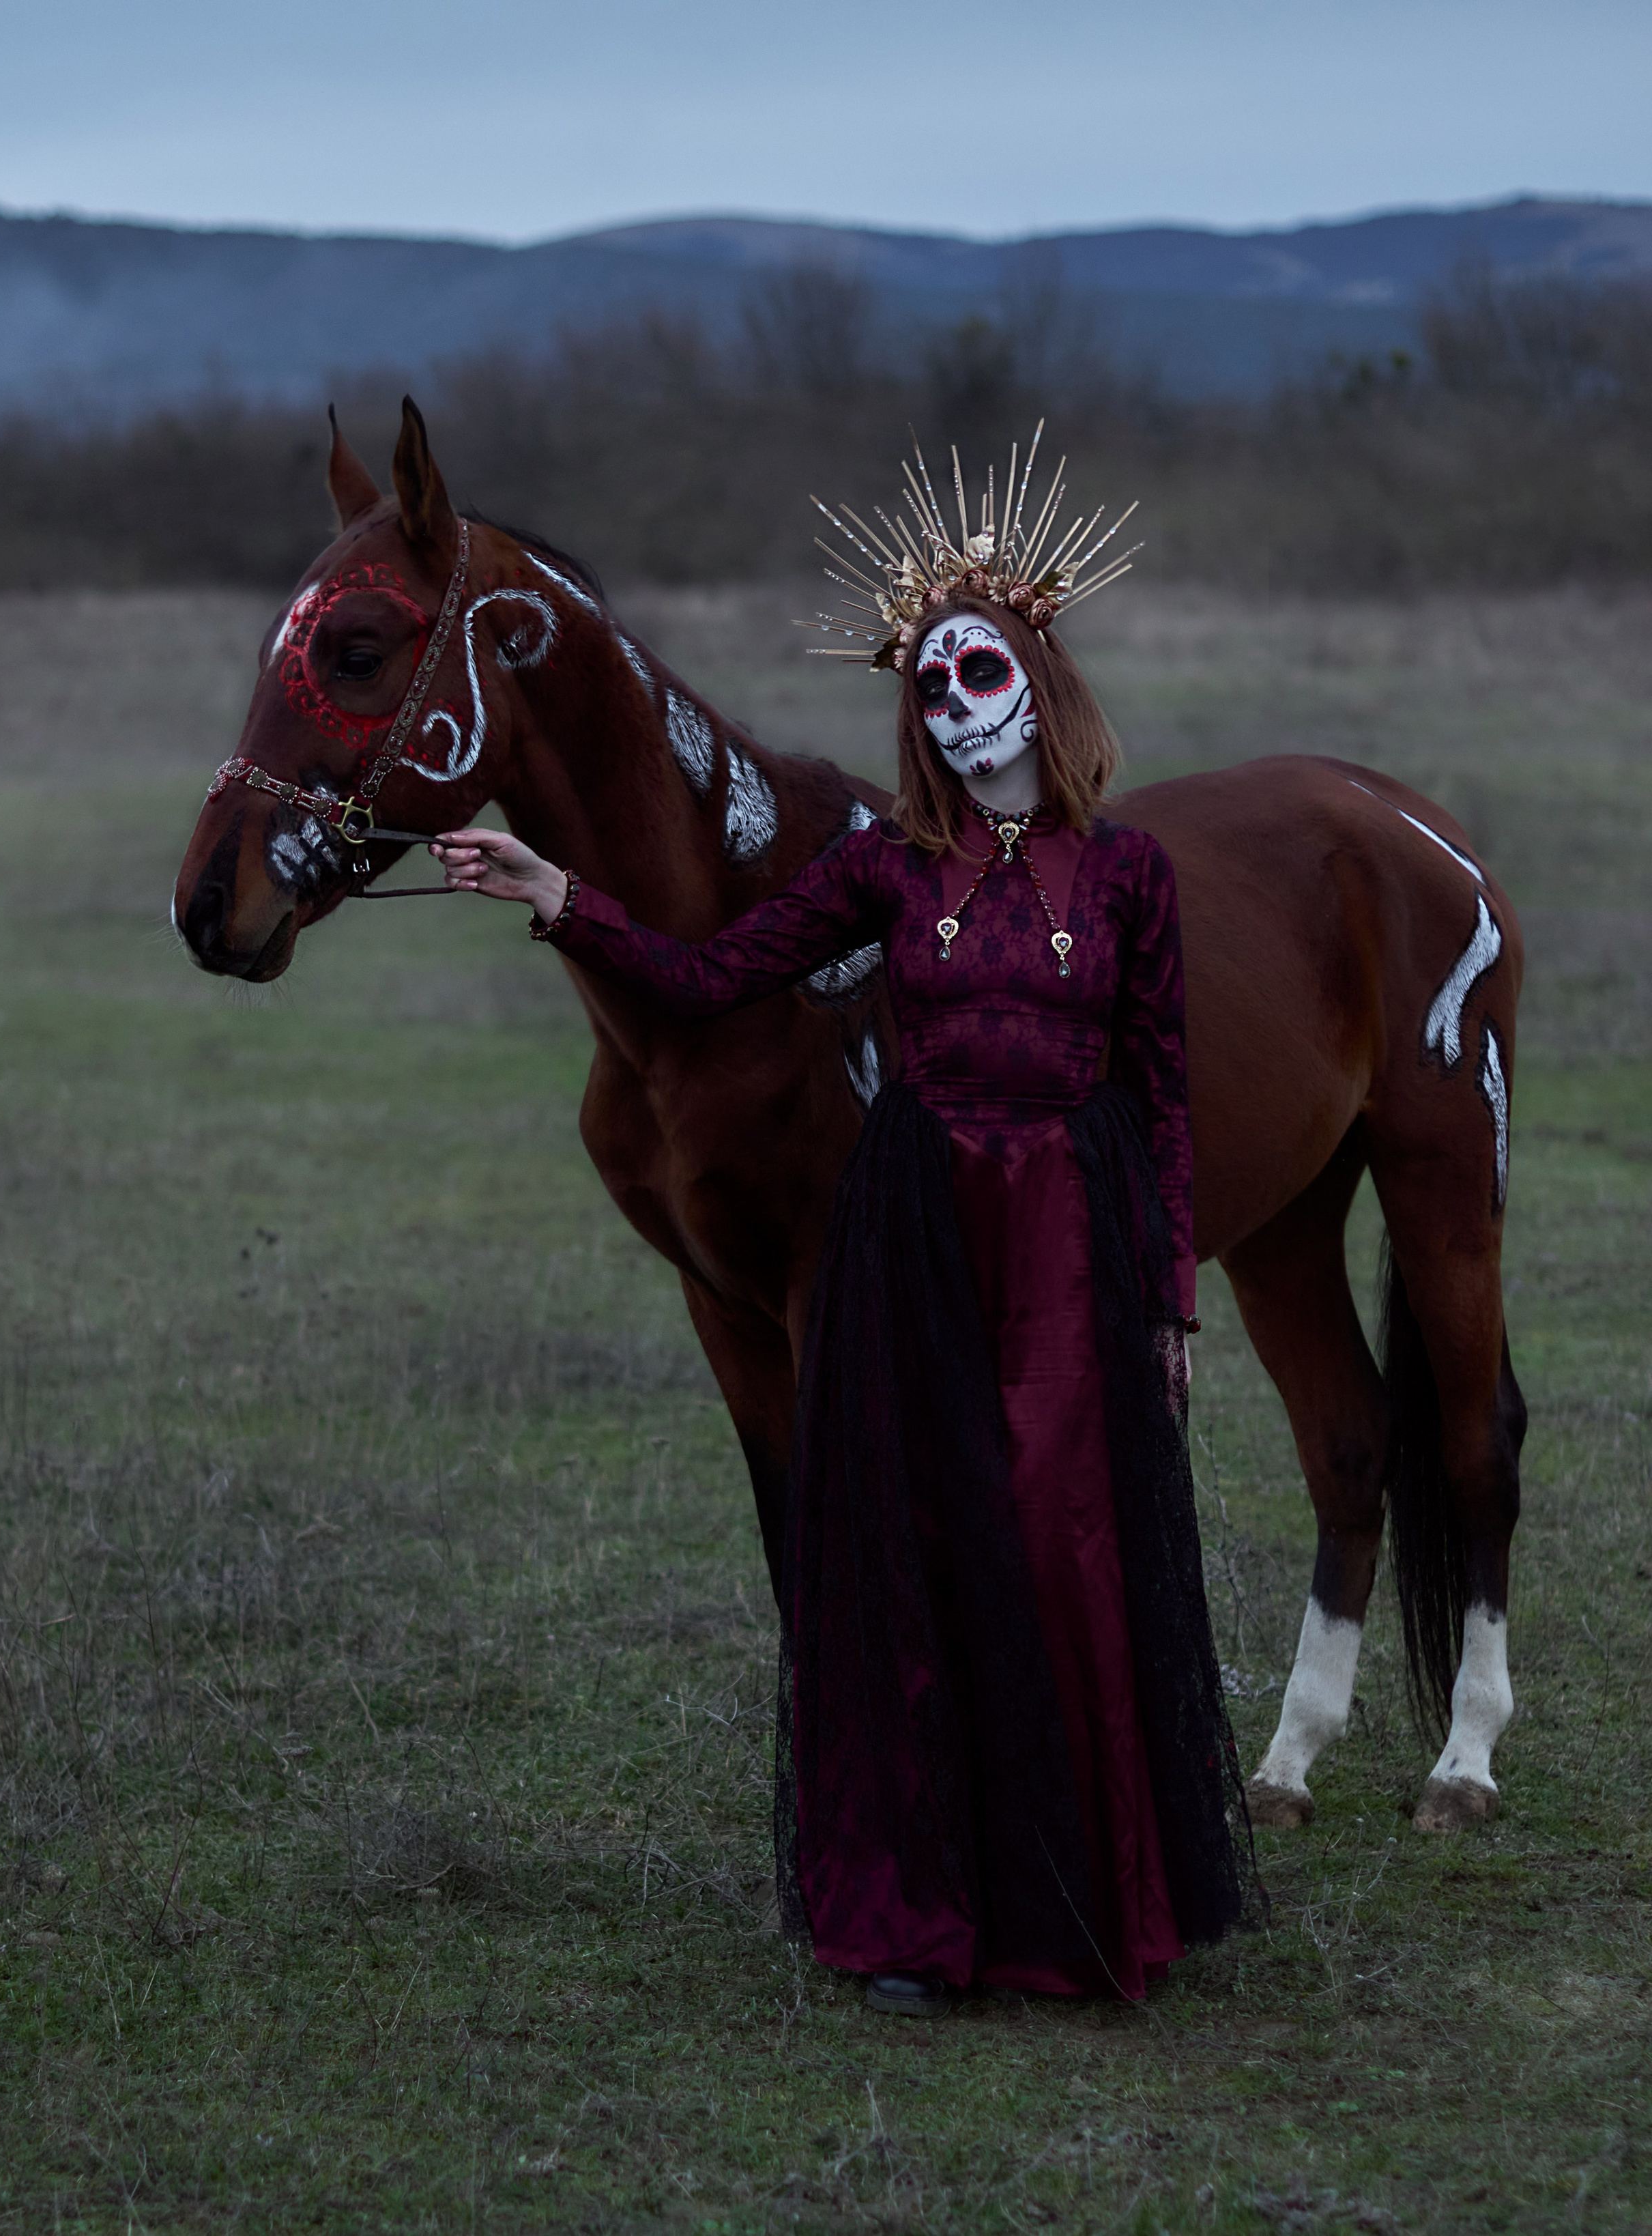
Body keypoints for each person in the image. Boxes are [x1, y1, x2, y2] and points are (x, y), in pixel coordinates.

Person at [432, 441, 1254, 2013]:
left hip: (1072, 1240)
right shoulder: (883, 869)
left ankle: (1075, 1911)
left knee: (1063, 1547)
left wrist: (1167, 1311)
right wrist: (555, 892)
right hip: (917, 1236)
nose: (955, 696)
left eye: (980, 666)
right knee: (924, 1543)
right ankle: (920, 1918)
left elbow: (1160, 1102)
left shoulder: (1131, 877)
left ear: (1038, 680)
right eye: (931, 681)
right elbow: (700, 978)